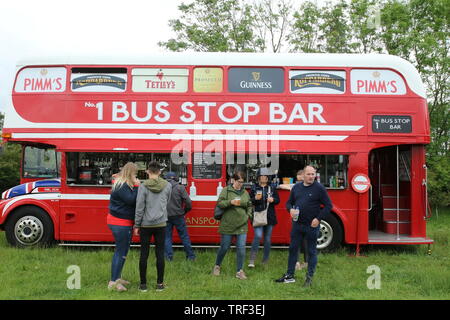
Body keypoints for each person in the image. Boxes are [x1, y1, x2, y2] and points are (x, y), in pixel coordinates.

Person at [275, 165, 332, 287]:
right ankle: (290, 276)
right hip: (297, 225)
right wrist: (290, 210)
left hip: (311, 226)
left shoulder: (319, 188)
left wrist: (318, 218)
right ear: (303, 175)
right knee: (293, 249)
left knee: (311, 252)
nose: (311, 176)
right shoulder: (296, 187)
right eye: (309, 174)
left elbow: (328, 206)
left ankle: (309, 278)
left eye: (313, 174)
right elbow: (289, 203)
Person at [134, 161, 172, 292]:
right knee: (160, 254)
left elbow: (140, 206)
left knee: (144, 254)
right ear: (160, 172)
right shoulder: (167, 185)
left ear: (147, 172)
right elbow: (167, 201)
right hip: (161, 224)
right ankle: (160, 284)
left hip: (145, 224)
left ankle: (143, 285)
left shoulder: (143, 186)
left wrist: (137, 224)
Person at [212, 171, 253, 280]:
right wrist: (230, 202)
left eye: (242, 182)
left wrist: (248, 215)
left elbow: (249, 205)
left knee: (241, 248)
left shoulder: (245, 193)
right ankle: (217, 266)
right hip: (228, 224)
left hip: (242, 224)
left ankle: (239, 271)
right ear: (233, 180)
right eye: (239, 181)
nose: (240, 184)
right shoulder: (226, 190)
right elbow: (220, 203)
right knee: (224, 247)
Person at [107, 162, 140, 292]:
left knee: (122, 252)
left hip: (120, 222)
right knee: (120, 252)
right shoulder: (121, 186)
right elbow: (131, 200)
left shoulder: (121, 183)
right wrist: (137, 186)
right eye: (135, 173)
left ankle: (117, 278)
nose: (136, 176)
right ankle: (113, 282)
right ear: (130, 173)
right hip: (120, 223)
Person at [248, 168, 280, 267]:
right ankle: (252, 260)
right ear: (258, 178)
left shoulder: (272, 188)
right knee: (257, 236)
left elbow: (278, 200)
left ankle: (265, 260)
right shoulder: (253, 188)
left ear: (268, 178)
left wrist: (273, 199)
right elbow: (249, 201)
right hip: (258, 215)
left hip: (269, 216)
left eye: (265, 177)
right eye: (261, 177)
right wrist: (255, 199)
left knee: (267, 239)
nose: (263, 178)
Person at [164, 171, 195, 261]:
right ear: (176, 178)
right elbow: (188, 202)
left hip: (166, 216)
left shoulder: (163, 188)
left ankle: (168, 258)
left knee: (167, 237)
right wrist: (184, 211)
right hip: (178, 215)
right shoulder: (180, 188)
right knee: (184, 236)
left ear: (166, 179)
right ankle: (190, 257)